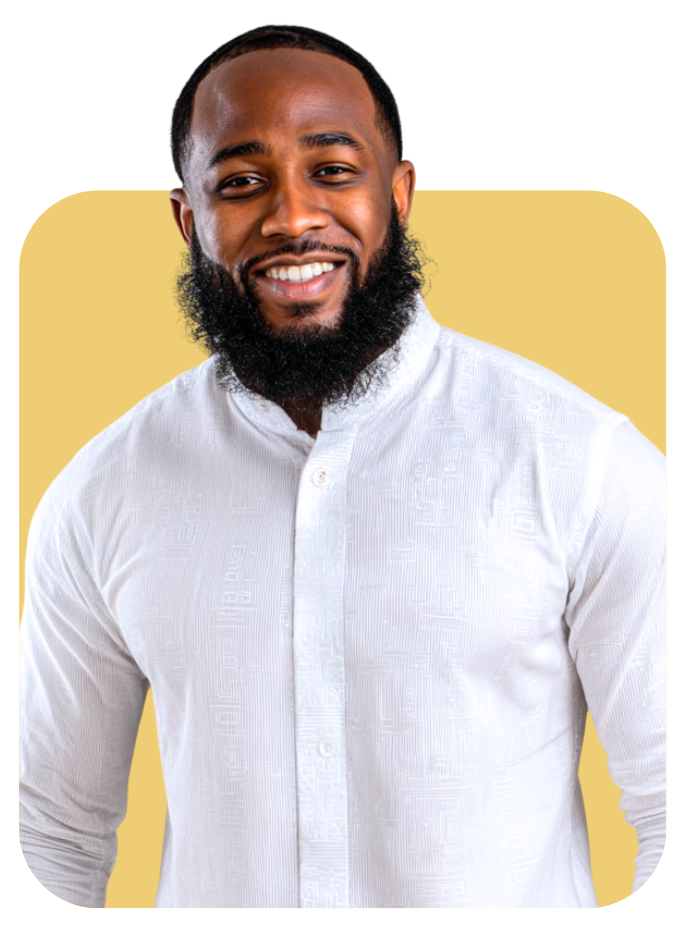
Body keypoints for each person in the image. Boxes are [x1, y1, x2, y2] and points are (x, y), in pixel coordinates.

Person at [19, 24, 666, 909]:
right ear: (186, 219)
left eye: (332, 170)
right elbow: (54, 830)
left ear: (399, 195)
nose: (291, 217)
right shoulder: (100, 497)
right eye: (241, 182)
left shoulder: (583, 463)